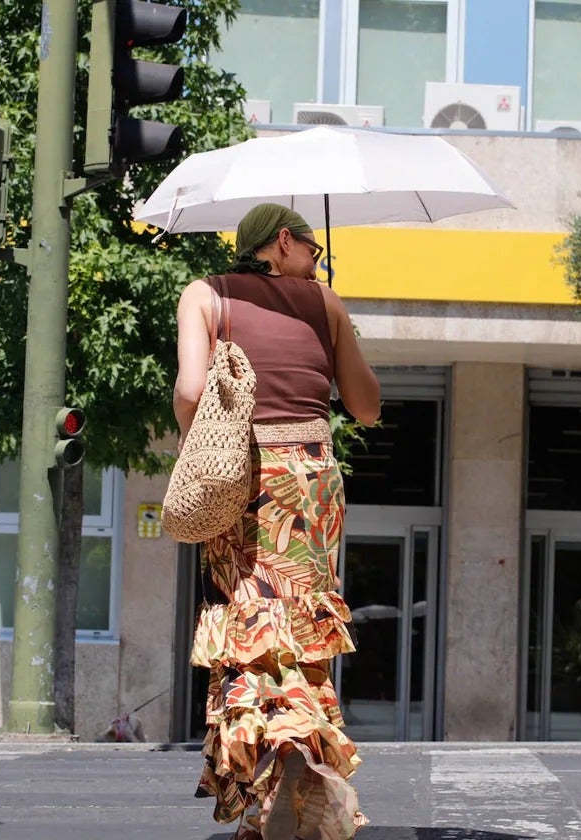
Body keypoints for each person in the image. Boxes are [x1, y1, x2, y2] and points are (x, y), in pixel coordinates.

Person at [174, 203, 381, 840]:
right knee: (299, 635)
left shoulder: (206, 296)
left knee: (249, 631)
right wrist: (331, 315)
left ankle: (269, 780)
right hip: (313, 482)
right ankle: (303, 773)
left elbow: (188, 391)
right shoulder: (327, 303)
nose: (317, 258)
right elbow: (367, 407)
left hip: (248, 479)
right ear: (284, 242)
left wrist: (210, 450)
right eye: (314, 248)